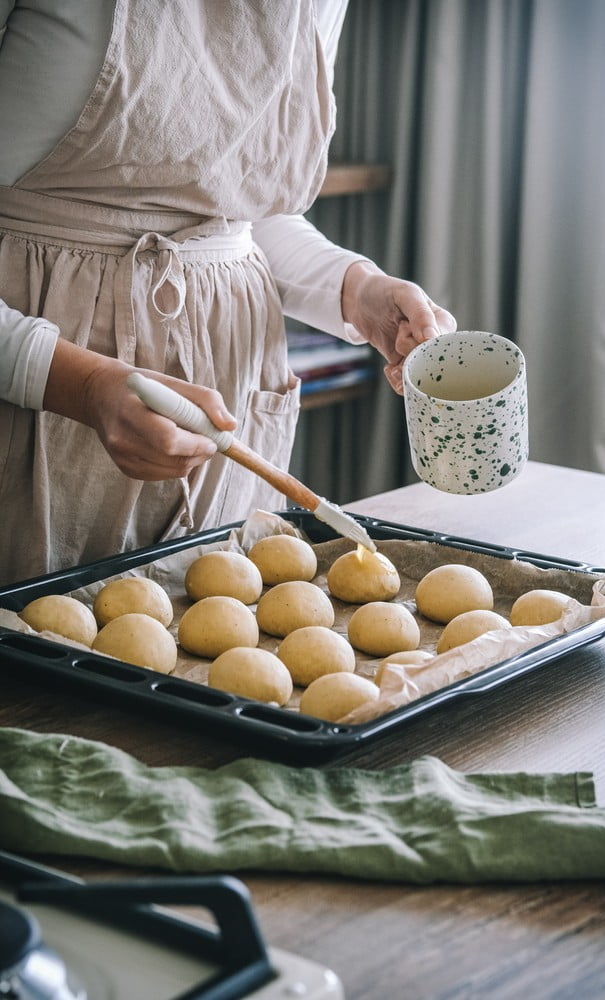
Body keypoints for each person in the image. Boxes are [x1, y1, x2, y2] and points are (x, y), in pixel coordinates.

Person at [0, 0, 456, 587]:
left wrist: (356, 289)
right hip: (33, 378)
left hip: (233, 378)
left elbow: (232, 210)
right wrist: (77, 383)